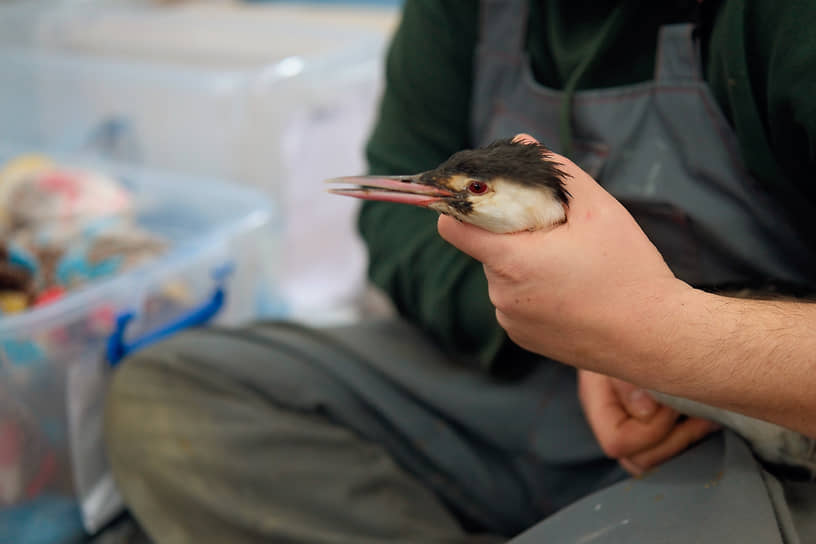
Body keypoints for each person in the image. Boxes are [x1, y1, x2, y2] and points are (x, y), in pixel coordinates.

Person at [103, 1, 816, 542]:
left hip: (765, 419)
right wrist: (572, 334)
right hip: (534, 382)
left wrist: (656, 334)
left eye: (468, 191)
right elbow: (389, 227)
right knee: (172, 397)